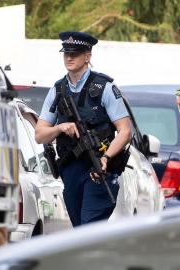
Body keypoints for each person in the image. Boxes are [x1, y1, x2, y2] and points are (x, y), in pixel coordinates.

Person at [35, 31, 131, 227]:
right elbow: (39, 135)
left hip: (99, 169)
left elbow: (125, 131)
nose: (69, 57)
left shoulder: (104, 87)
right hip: (71, 170)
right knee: (80, 228)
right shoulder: (58, 90)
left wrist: (106, 158)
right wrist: (60, 128)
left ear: (87, 56)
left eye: (76, 53)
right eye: (66, 53)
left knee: (89, 226)